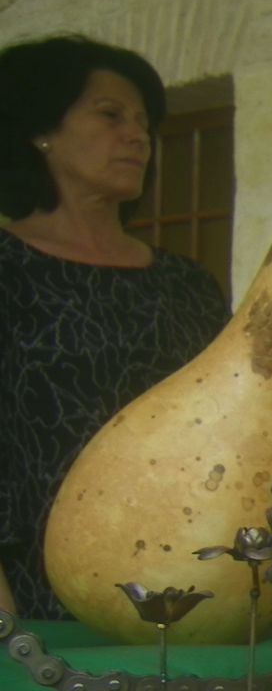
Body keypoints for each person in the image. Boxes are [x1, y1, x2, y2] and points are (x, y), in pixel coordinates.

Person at [0, 35, 228, 620]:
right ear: (39, 129)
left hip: (182, 581)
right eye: (110, 115)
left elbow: (228, 428)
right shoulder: (7, 268)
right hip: (28, 586)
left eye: (145, 123)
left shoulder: (186, 286)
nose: (138, 136)